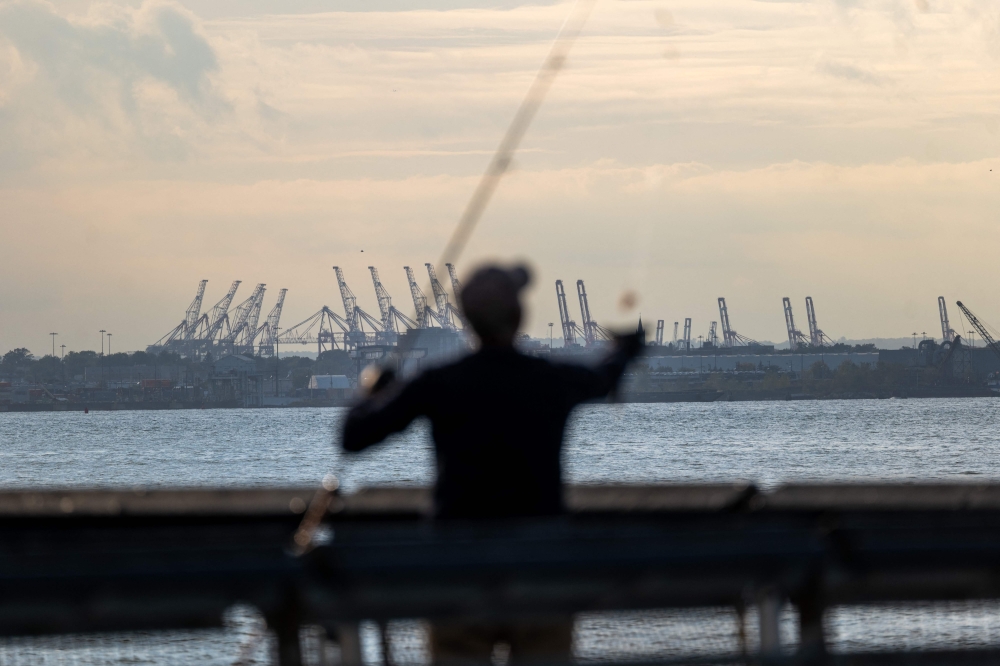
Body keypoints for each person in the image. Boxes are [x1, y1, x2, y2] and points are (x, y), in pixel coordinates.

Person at [340, 262, 643, 664]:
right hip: (540, 571)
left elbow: (354, 437)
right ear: (520, 316)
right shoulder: (550, 379)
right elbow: (604, 377)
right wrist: (626, 349)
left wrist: (371, 390)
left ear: (466, 319)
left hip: (457, 572)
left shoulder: (438, 382)